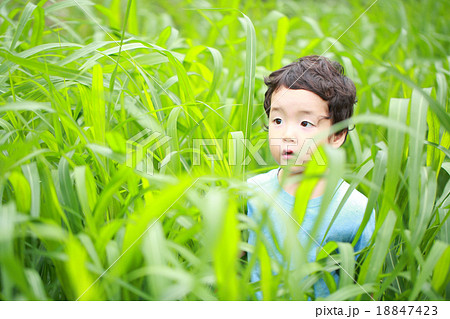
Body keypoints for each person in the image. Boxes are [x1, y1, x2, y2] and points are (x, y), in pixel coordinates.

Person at [246, 55, 375, 299]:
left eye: (305, 123)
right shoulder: (251, 192)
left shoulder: (356, 209)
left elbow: (366, 284)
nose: (288, 134)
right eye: (278, 120)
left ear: (337, 136)